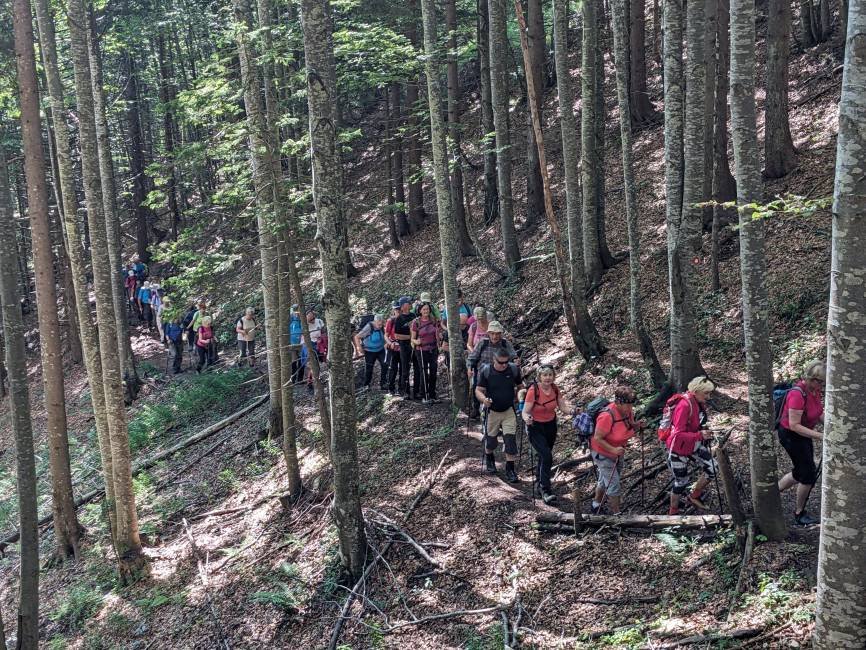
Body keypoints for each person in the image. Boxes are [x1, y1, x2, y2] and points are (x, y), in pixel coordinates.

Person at [777, 360, 825, 525]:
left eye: (822, 382)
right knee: (807, 475)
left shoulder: (814, 391)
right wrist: (821, 436)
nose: (821, 385)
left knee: (801, 471)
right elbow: (794, 424)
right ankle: (799, 513)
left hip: (803, 434)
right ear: (812, 379)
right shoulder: (797, 394)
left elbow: (817, 413)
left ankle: (774, 492)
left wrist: (831, 426)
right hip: (791, 435)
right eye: (819, 381)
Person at [522, 366, 577, 504]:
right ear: (539, 377)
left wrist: (573, 411)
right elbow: (525, 411)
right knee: (546, 456)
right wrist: (526, 419)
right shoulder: (533, 391)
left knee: (544, 455)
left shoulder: (555, 389)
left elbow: (563, 407)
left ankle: (539, 482)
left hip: (550, 425)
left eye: (550, 375)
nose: (548, 377)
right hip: (535, 426)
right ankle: (545, 490)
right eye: (545, 375)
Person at [665, 376, 718, 515]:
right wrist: (700, 435)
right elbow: (678, 434)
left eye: (709, 393)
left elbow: (696, 423)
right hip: (678, 449)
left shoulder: (698, 402)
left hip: (693, 445)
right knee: (681, 481)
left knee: (713, 468)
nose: (708, 396)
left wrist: (702, 431)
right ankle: (673, 512)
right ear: (696, 391)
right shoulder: (684, 405)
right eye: (706, 393)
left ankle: (693, 496)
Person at [590, 386, 643, 514]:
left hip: (617, 451)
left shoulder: (627, 412)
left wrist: (638, 425)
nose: (630, 408)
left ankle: (596, 504)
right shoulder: (606, 416)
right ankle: (616, 514)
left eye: (631, 405)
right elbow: (597, 438)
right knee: (613, 483)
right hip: (603, 453)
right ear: (618, 402)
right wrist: (613, 450)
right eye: (627, 405)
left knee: (605, 479)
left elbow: (629, 426)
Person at [477, 349, 523, 482]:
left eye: (506, 362)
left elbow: (520, 386)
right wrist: (484, 400)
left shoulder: (513, 370)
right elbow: (478, 390)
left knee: (510, 440)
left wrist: (520, 397)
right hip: (492, 412)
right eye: (501, 362)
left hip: (509, 411)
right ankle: (490, 459)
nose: (504, 365)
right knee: (491, 441)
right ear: (494, 360)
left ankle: (510, 470)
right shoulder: (487, 371)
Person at [466, 321, 517, 418]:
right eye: (492, 333)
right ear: (488, 333)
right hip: (482, 373)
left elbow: (513, 356)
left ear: (501, 334)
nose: (495, 336)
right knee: (477, 389)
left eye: (497, 334)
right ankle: (476, 408)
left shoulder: (505, 344)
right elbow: (472, 357)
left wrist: (516, 360)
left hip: (500, 373)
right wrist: (469, 368)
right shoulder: (483, 343)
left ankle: (500, 412)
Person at [410, 303, 441, 402]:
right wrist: (416, 342)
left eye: (427, 309)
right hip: (421, 350)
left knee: (433, 371)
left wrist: (439, 339)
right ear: (420, 311)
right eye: (424, 309)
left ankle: (432, 394)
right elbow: (412, 339)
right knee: (423, 372)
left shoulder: (433, 321)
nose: (426, 311)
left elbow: (437, 333)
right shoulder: (416, 322)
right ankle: (424, 395)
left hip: (433, 349)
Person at [393, 296, 420, 399]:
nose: (410, 304)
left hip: (415, 346)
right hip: (404, 347)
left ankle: (417, 391)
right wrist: (410, 337)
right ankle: (405, 391)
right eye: (408, 303)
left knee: (417, 368)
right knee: (405, 369)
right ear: (404, 306)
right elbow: (397, 335)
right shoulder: (399, 319)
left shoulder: (414, 316)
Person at [354, 314, 388, 391]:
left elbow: (385, 335)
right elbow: (357, 337)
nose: (380, 326)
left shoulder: (382, 326)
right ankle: (366, 385)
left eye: (381, 324)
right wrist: (359, 348)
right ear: (374, 322)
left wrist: (386, 343)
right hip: (369, 351)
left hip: (380, 349)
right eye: (379, 324)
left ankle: (383, 384)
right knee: (369, 368)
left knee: (385, 364)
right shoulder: (369, 327)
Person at [304, 309, 325, 391]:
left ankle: (317, 379)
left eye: (312, 316)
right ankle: (310, 384)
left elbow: (323, 331)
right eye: (309, 317)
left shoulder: (319, 321)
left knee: (319, 364)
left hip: (319, 344)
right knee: (313, 364)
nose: (312, 319)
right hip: (309, 344)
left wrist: (322, 339)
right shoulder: (305, 324)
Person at [384, 301, 402, 395]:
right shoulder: (390, 321)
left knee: (403, 368)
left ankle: (401, 389)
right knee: (392, 368)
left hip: (403, 347)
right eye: (396, 309)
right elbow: (386, 335)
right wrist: (389, 343)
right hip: (393, 347)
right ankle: (391, 389)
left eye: (399, 309)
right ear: (393, 310)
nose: (398, 311)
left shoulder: (405, 320)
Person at [289, 304, 304, 383]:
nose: (296, 314)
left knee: (301, 360)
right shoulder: (290, 319)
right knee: (294, 361)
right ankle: (293, 379)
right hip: (292, 344)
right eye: (295, 312)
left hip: (301, 343)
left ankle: (300, 379)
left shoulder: (303, 319)